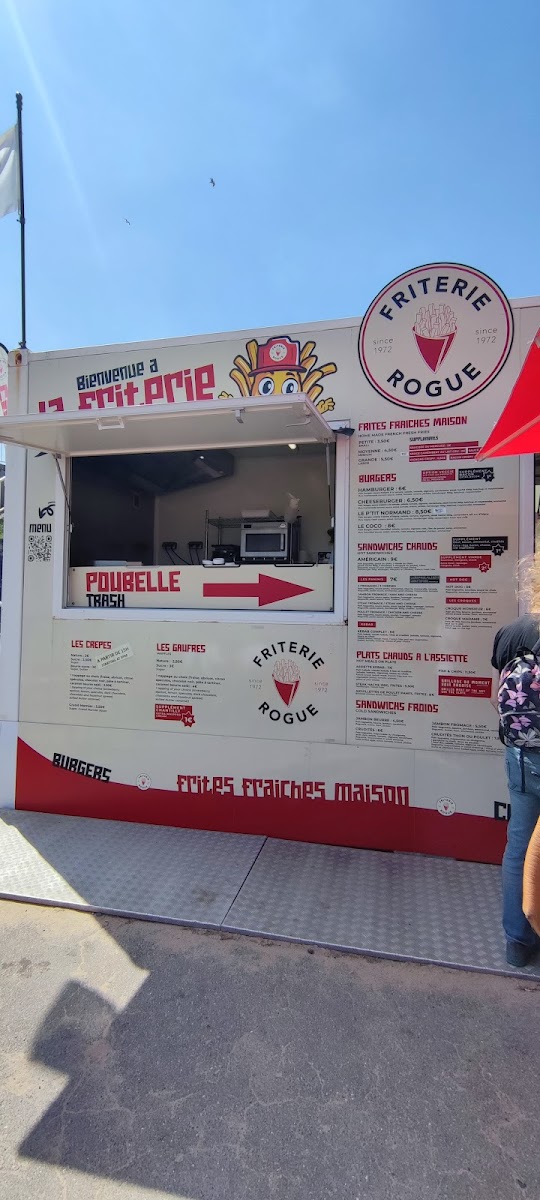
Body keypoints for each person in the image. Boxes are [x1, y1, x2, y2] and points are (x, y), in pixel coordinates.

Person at [491, 560, 540, 967]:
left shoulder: (513, 632)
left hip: (523, 756)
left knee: (520, 846)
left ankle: (517, 943)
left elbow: (495, 699)